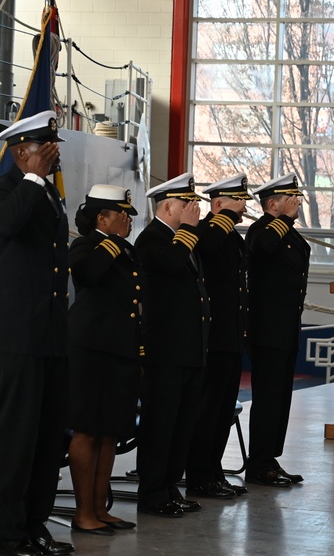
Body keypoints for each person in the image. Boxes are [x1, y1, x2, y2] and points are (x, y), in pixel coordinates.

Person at [0, 110, 73, 556]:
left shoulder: (50, 195)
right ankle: (9, 534)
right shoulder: (4, 190)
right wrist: (33, 179)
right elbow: (5, 226)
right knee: (19, 438)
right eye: (46, 148)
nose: (54, 155)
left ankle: (36, 525)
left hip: (51, 334)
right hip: (17, 335)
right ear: (22, 152)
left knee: (47, 437)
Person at [67, 184, 142, 535]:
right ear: (102, 218)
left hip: (119, 350)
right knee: (87, 431)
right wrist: (112, 242)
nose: (127, 221)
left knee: (109, 432)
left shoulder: (123, 250)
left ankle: (100, 508)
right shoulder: (85, 246)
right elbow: (87, 275)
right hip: (92, 350)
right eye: (121, 215)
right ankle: (83, 512)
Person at [135, 173, 208, 517]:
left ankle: (169, 487)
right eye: (186, 204)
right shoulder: (151, 239)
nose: (194, 209)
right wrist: (190, 231)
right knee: (161, 424)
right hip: (164, 349)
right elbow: (169, 264)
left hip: (188, 348)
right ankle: (152, 493)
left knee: (182, 424)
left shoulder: (183, 239)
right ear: (167, 206)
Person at [184, 174, 251, 499]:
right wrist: (223, 217)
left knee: (223, 411)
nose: (243, 206)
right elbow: (206, 246)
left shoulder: (232, 237)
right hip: (212, 338)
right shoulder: (208, 231)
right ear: (218, 204)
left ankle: (213, 471)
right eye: (237, 201)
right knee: (208, 411)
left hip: (230, 337)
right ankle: (199, 476)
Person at [244, 173, 310, 487]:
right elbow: (262, 247)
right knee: (268, 398)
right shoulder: (262, 231)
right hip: (267, 331)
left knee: (281, 398)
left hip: (285, 330)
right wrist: (280, 221)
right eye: (291, 197)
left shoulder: (291, 236)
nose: (298, 201)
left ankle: (270, 457)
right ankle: (258, 464)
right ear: (273, 204)